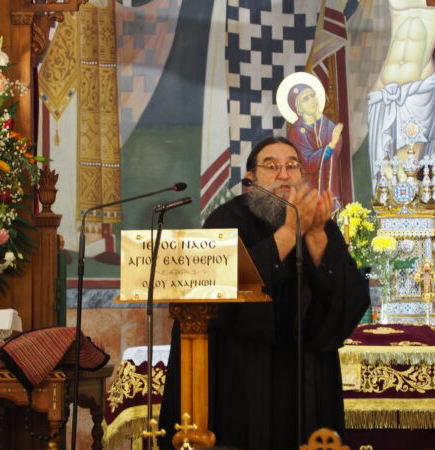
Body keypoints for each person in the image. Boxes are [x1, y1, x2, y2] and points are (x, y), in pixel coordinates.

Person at [158, 136, 370, 450]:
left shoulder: (320, 223)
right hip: (242, 373)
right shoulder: (226, 219)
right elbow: (221, 288)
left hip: (306, 375)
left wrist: (316, 236)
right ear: (251, 179)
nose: (284, 174)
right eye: (271, 166)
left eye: (292, 166)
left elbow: (349, 299)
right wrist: (288, 233)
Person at [367, 0, 435, 189]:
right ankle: (389, 207)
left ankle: (409, 204)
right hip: (384, 88)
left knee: (407, 162)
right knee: (384, 166)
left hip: (417, 87)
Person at [277, 72, 344, 214]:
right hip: (308, 190)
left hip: (326, 184)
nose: (312, 101)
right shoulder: (296, 131)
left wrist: (333, 141)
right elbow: (308, 163)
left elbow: (337, 142)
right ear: (298, 108)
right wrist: (331, 144)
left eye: (312, 96)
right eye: (305, 99)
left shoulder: (325, 124)